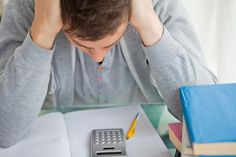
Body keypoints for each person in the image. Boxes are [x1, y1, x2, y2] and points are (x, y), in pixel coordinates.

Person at [0, 0, 217, 147]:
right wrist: (42, 31)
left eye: (110, 43)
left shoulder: (157, 5)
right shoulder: (27, 6)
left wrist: (150, 26)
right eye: (80, 44)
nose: (97, 58)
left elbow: (208, 118)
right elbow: (5, 130)